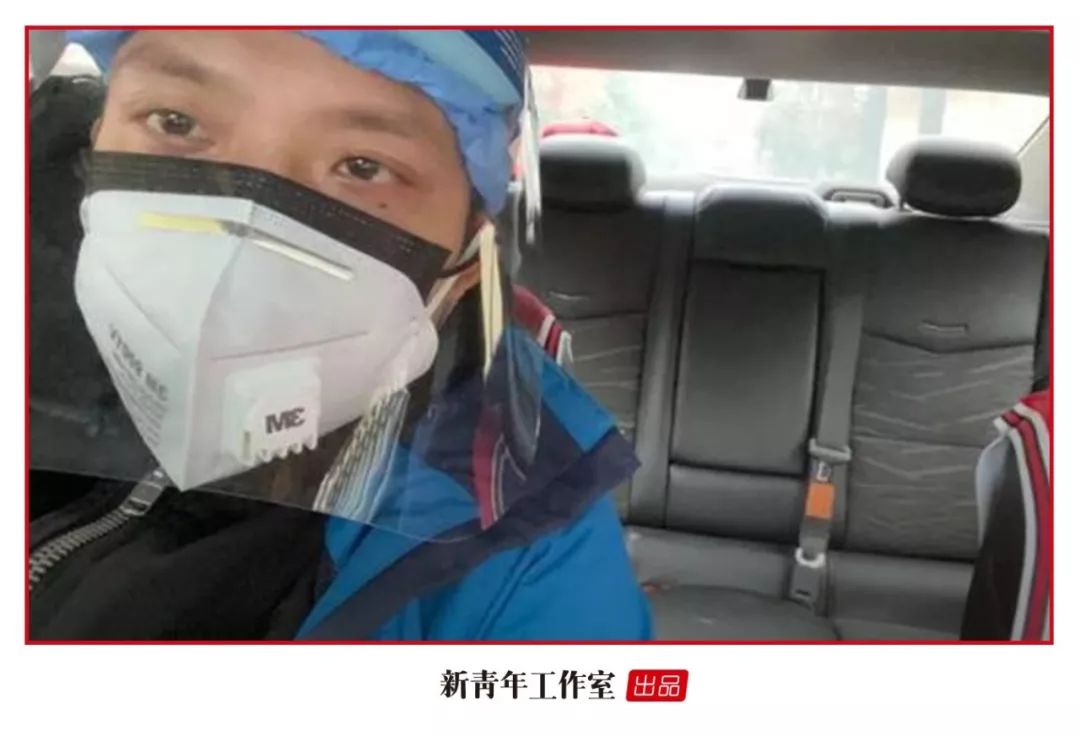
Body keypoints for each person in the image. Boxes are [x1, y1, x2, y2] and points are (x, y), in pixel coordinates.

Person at [28, 29, 652, 641]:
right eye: (175, 121)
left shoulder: (527, 534)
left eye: (362, 166)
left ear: (464, 259)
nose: (235, 251)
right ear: (96, 136)